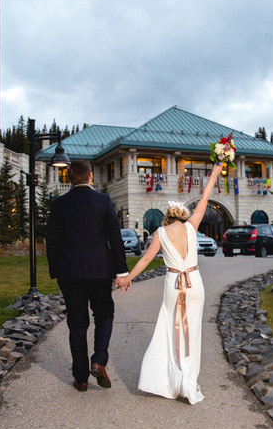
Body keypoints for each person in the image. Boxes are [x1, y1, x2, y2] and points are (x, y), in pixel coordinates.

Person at [117, 163, 223, 404]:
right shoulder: (191, 226)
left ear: (167, 217)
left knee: (171, 330)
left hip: (174, 283)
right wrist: (214, 174)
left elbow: (145, 259)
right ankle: (188, 381)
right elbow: (204, 199)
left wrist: (127, 279)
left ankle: (172, 380)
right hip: (194, 283)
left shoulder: (160, 234)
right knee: (192, 332)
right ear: (182, 215)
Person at [46, 160, 129, 392]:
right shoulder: (102, 201)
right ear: (90, 176)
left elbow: (51, 239)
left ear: (70, 179)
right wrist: (121, 269)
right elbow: (115, 237)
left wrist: (56, 270)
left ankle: (81, 378)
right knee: (104, 314)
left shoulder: (59, 203)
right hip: (100, 270)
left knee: (77, 323)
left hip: (69, 273)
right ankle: (99, 360)